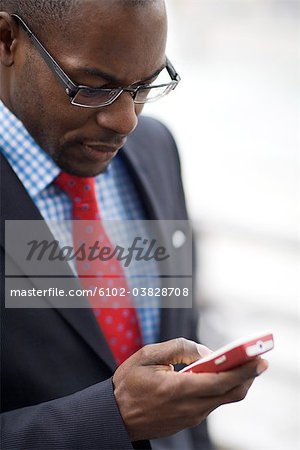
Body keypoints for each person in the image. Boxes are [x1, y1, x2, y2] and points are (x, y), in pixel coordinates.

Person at [0, 1, 269, 449]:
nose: (127, 121)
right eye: (91, 87)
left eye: (146, 85)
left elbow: (184, 336)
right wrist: (112, 416)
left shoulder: (155, 150)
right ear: (7, 40)